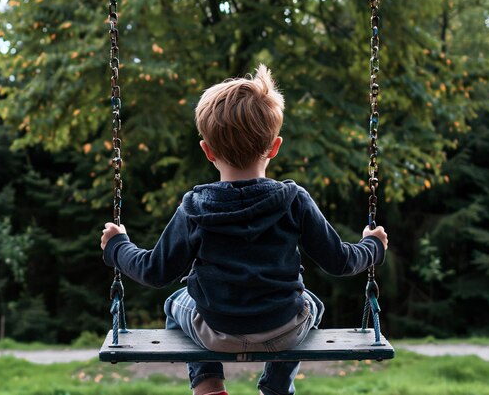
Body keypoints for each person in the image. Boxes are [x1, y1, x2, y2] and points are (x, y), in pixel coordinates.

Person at [101, 65, 388, 395]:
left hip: (215, 330)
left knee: (174, 305)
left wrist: (117, 246)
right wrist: (373, 246)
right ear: (275, 146)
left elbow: (154, 271)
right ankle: (277, 387)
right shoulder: (294, 200)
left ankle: (208, 387)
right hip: (284, 328)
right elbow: (339, 261)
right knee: (313, 304)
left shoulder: (195, 206)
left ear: (207, 151)